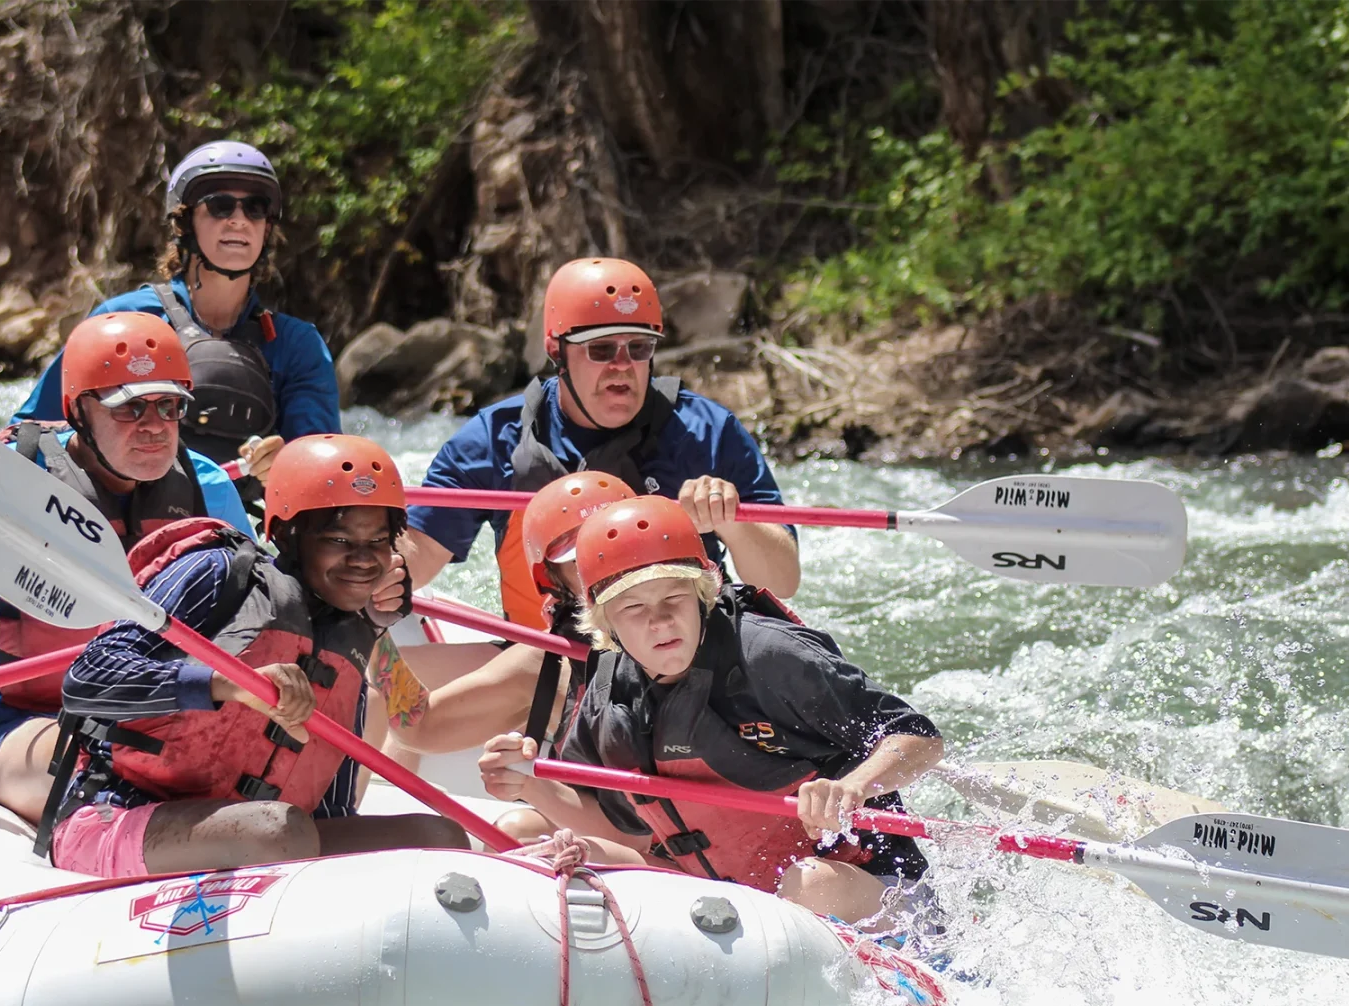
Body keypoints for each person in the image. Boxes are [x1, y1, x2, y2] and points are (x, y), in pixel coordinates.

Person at [477, 496, 944, 929]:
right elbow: (619, 825)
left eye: (673, 599)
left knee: (808, 883)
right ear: (605, 621)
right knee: (529, 842)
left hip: (864, 893)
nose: (659, 621)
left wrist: (853, 787)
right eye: (634, 608)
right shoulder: (610, 691)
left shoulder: (769, 656)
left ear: (702, 594)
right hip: (722, 899)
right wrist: (530, 784)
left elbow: (919, 736)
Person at [0, 313, 252, 824]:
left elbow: (261, 617)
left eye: (169, 406)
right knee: (106, 775)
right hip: (18, 721)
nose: (154, 426)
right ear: (79, 412)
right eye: (130, 408)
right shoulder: (2, 487)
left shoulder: (207, 488)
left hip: (157, 718)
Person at [48, 435, 469, 876]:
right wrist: (223, 683)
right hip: (118, 819)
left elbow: (329, 800)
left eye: (378, 541)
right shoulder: (217, 572)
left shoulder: (351, 637)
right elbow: (85, 681)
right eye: (340, 539)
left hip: (264, 836)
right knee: (279, 830)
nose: (363, 561)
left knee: (441, 838)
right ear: (286, 534)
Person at [398, 257, 801, 638]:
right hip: (545, 661)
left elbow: (782, 582)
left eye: (639, 348)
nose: (622, 365)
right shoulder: (493, 439)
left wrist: (730, 521)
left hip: (684, 663)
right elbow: (413, 561)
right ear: (558, 352)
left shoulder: (708, 431)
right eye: (601, 349)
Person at [13, 140, 340, 491]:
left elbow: (326, 468)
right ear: (185, 223)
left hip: (240, 528)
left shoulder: (297, 345)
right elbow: (27, 435)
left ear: (267, 228)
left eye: (255, 209)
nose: (238, 221)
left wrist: (290, 459)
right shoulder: (122, 319)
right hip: (119, 521)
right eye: (220, 206)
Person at [379, 473, 632, 816]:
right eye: (579, 557)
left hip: (673, 843)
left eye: (616, 547)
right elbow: (421, 727)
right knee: (518, 828)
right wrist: (373, 629)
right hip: (634, 838)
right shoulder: (545, 664)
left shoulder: (704, 626)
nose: (602, 566)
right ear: (552, 578)